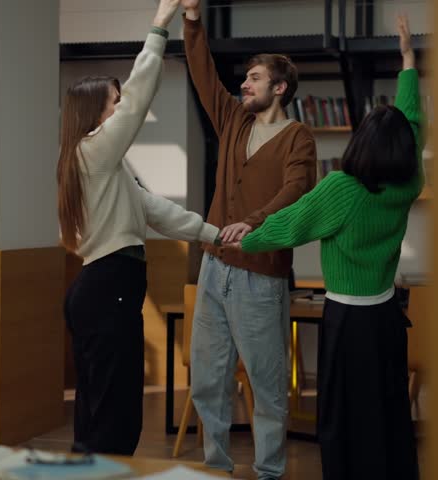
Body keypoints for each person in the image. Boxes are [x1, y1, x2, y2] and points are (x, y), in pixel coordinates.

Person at [231, 14, 423, 480]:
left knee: (341, 419)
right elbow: (412, 122)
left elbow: (289, 226)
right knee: (387, 411)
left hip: (348, 321)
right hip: (386, 319)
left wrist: (243, 236)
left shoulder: (343, 188)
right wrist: (408, 62)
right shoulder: (408, 181)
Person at [58, 0, 221, 456]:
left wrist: (212, 235)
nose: (125, 106)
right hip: (108, 285)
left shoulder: (105, 164)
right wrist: (159, 23)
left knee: (101, 407)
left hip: (106, 286)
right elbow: (140, 100)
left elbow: (154, 209)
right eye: (116, 100)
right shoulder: (92, 150)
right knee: (113, 412)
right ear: (96, 113)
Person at [180, 1, 318, 478]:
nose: (244, 83)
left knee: (267, 385)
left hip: (261, 277)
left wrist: (255, 221)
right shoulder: (234, 121)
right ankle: (216, 468)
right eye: (246, 78)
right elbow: (203, 74)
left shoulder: (298, 136)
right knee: (207, 381)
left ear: (279, 87)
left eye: (255, 78)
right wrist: (193, 21)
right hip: (214, 268)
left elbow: (298, 188)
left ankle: (269, 473)